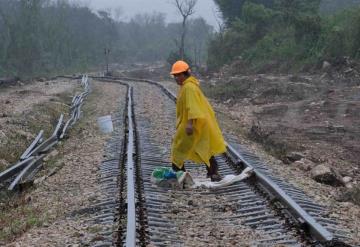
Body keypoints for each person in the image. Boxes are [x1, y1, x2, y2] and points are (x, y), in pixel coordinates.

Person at [170, 60, 227, 182]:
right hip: (198, 122)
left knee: (178, 148)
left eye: (178, 75)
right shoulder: (188, 85)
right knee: (203, 147)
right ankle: (213, 173)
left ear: (185, 74)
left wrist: (190, 124)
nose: (176, 78)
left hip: (193, 123)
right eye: (175, 75)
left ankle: (180, 175)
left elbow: (193, 106)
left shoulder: (189, 87)